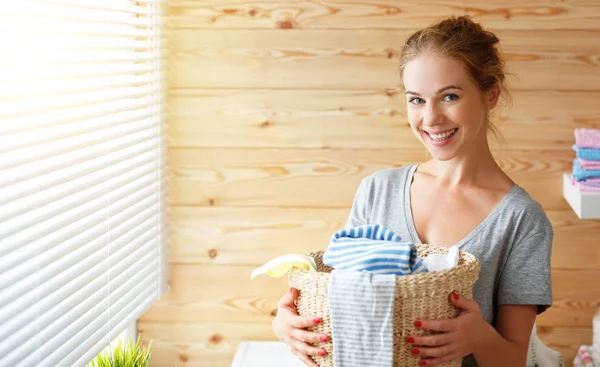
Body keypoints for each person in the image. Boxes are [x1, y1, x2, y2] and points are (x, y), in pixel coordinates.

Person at [272, 15, 553, 367]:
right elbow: (339, 296)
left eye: (449, 96)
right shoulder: (377, 191)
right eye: (416, 100)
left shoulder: (521, 219)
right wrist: (287, 325)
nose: (431, 118)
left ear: (490, 95)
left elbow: (513, 358)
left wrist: (477, 336)